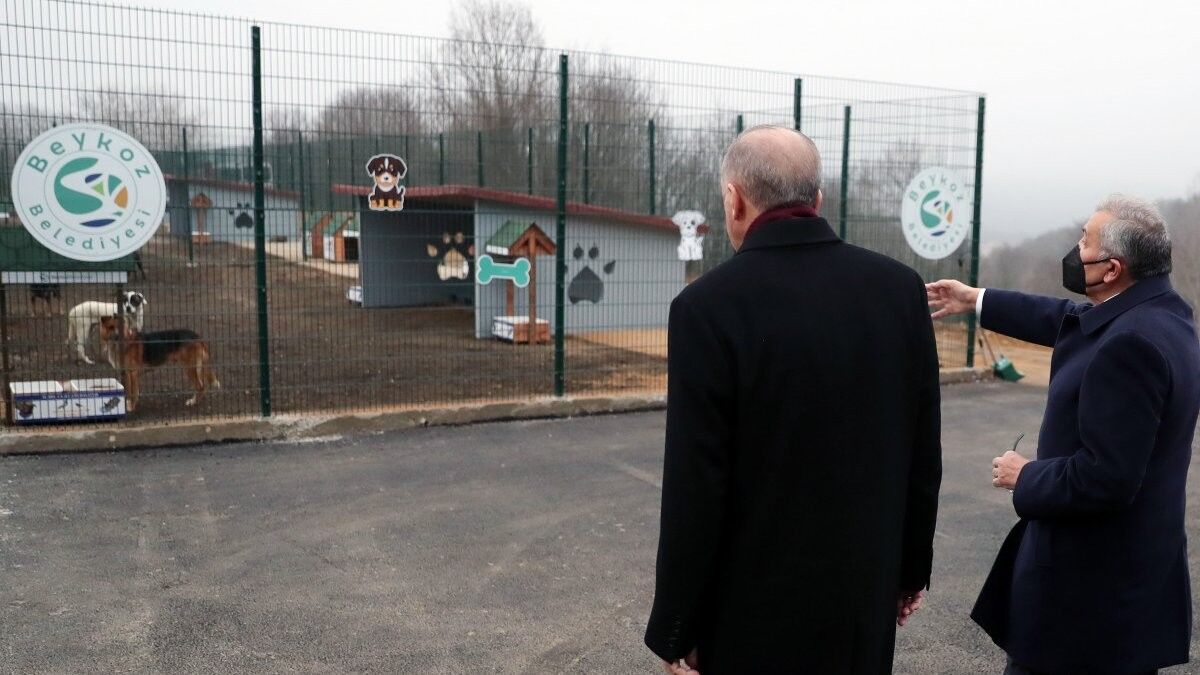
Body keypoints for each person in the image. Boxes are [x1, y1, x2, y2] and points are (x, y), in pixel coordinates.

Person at [644, 125, 942, 674]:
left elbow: (696, 484)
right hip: (861, 601)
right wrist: (908, 572)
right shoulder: (899, 290)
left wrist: (678, 625)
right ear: (817, 200)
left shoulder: (706, 308)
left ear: (734, 199)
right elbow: (922, 452)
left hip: (749, 615)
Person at [927, 195, 1200, 675]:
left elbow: (1106, 478)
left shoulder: (1130, 346)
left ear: (1112, 269)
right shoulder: (1163, 315)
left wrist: (1025, 475)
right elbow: (1067, 319)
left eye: (1084, 241)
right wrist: (975, 299)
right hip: (1130, 595)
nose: (1075, 250)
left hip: (1088, 606)